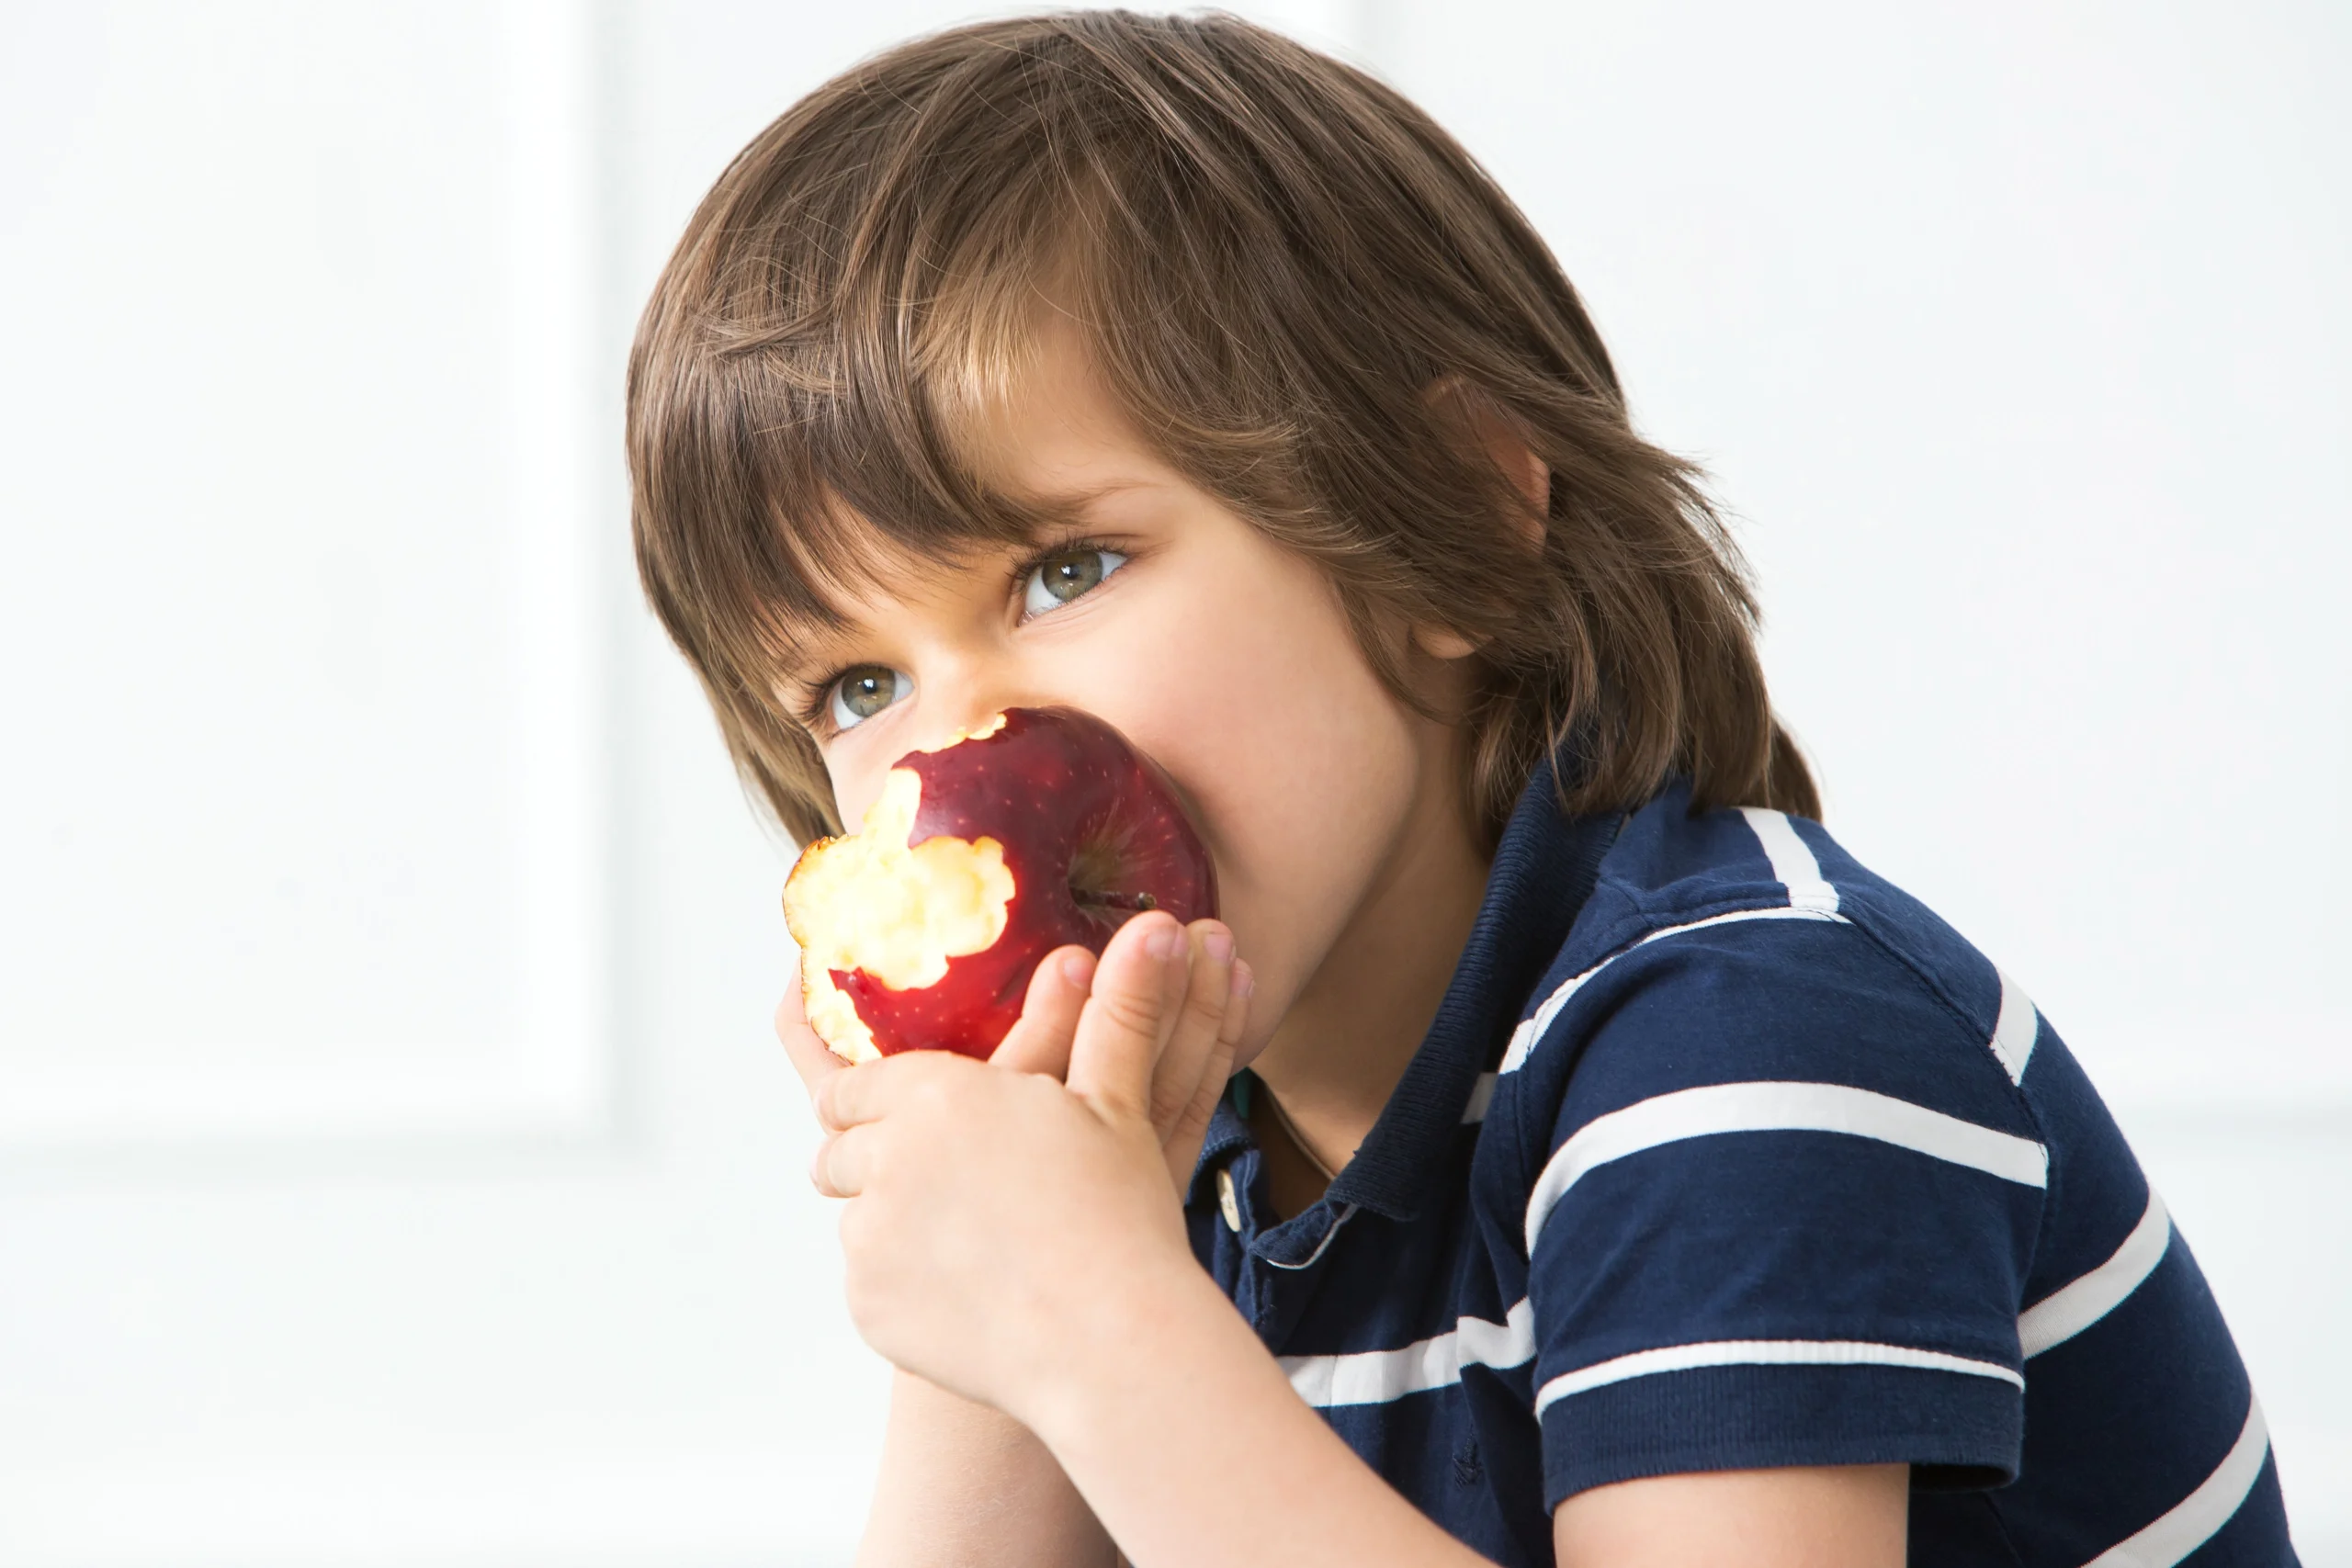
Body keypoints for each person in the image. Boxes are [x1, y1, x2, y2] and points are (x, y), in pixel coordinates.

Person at [625, 11, 2296, 1565]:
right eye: (856, 687)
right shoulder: (1187, 1148)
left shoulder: (1746, 1036)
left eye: (1067, 569)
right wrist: (987, 1303)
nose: (954, 747)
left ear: (1459, 522)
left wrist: (1092, 1324)